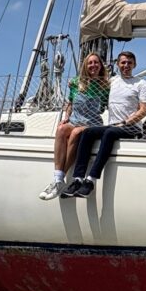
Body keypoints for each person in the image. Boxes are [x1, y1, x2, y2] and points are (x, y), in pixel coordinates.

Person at [61, 51, 146, 199]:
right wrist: (75, 82)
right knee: (87, 132)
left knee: (109, 134)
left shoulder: (141, 84)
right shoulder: (112, 81)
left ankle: (90, 180)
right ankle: (77, 179)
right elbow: (93, 81)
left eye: (129, 63)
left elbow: (144, 110)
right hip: (113, 125)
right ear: (118, 64)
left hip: (131, 127)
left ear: (134, 65)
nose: (126, 65)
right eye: (123, 62)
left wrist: (128, 121)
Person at [38, 53, 109, 200]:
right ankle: (58, 179)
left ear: (101, 66)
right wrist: (66, 118)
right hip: (75, 119)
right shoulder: (76, 82)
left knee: (76, 133)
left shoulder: (105, 85)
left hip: (92, 122)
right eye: (90, 63)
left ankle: (60, 178)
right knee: (61, 129)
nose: (93, 65)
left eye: (96, 63)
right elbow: (70, 103)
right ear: (85, 66)